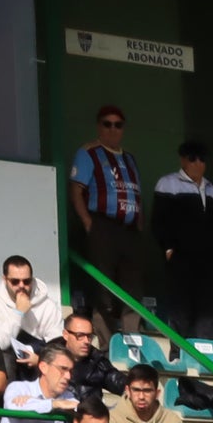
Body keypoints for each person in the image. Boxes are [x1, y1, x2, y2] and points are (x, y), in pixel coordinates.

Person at [69, 105, 155, 307]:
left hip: (130, 230)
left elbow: (136, 194)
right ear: (99, 126)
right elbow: (75, 191)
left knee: (133, 286)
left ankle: (132, 333)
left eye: (118, 125)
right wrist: (89, 223)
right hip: (102, 225)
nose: (112, 129)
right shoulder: (88, 153)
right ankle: (105, 335)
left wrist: (139, 225)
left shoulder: (129, 157)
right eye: (107, 124)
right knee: (103, 286)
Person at [150, 142, 213, 336]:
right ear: (182, 160)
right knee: (179, 309)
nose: (197, 163)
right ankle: (177, 353)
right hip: (180, 259)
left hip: (208, 263)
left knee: (208, 311)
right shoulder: (168, 183)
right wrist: (168, 249)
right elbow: (159, 221)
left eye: (202, 159)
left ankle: (207, 357)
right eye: (192, 158)